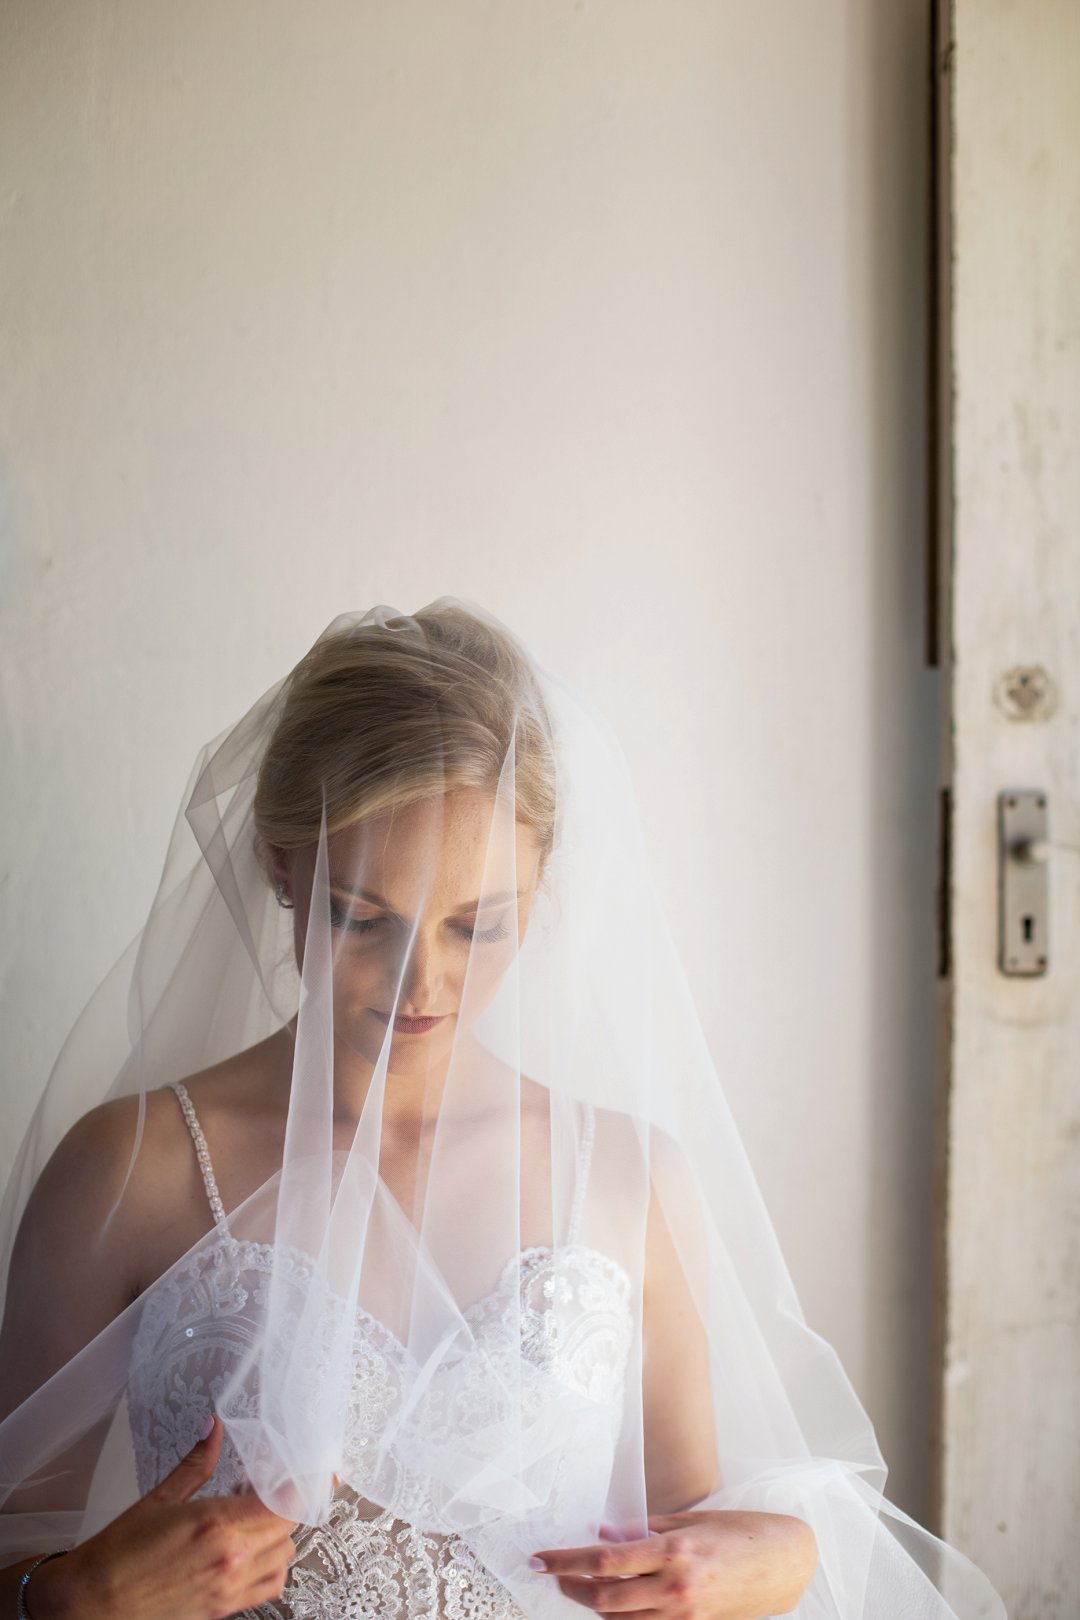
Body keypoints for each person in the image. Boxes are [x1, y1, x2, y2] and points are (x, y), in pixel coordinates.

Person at [0, 599, 1004, 1620]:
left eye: (478, 925)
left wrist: (776, 1558)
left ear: (542, 885)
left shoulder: (624, 1176)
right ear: (279, 865)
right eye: (362, 917)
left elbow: (685, 1536)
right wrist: (67, 1597)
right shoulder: (130, 1171)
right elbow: (15, 1547)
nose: (418, 981)